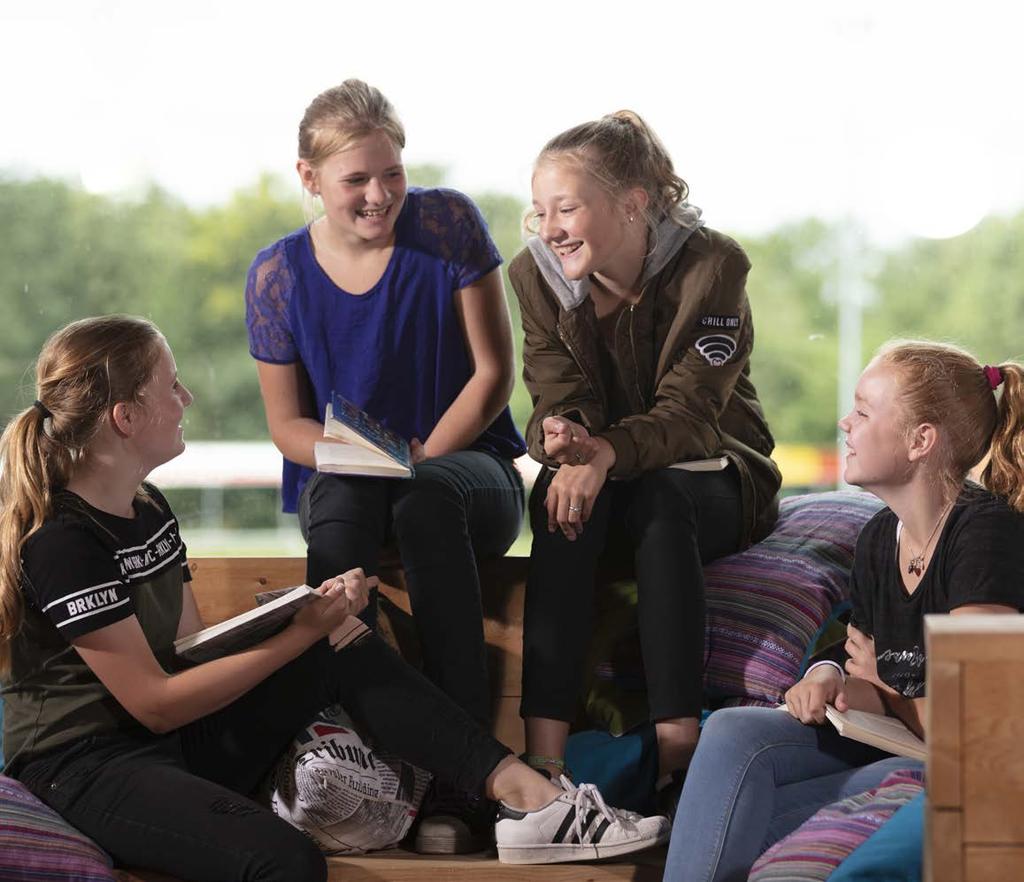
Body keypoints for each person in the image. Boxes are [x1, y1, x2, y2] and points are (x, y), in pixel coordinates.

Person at [0, 315, 671, 881]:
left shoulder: (147, 508)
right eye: (169, 385)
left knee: (335, 636)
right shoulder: (62, 541)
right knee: (284, 861)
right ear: (125, 417)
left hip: (172, 740)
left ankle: (527, 800)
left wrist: (295, 616)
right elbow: (152, 702)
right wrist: (293, 636)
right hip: (87, 764)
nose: (187, 397)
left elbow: (187, 655)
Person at [245, 79, 527, 850]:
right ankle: (366, 765)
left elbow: (494, 374)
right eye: (356, 180)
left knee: (427, 498)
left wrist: (421, 457)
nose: (380, 195)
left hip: (469, 472)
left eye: (392, 173)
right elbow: (286, 425)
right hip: (349, 482)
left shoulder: (448, 222)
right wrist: (360, 460)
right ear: (308, 178)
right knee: (336, 518)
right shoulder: (277, 274)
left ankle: (466, 782)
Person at [663, 340, 1024, 882]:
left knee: (740, 820)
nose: (844, 422)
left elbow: (979, 732)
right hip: (906, 746)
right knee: (733, 733)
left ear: (921, 440)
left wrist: (887, 685)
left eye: (862, 410)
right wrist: (830, 679)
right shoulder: (880, 536)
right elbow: (874, 680)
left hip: (972, 771)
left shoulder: (986, 535)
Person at [508, 111, 782, 788]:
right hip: (610, 481)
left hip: (716, 476)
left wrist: (603, 452)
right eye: (539, 211)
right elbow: (553, 387)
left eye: (566, 208)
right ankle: (543, 761)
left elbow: (690, 416)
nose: (549, 229)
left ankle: (677, 759)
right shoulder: (533, 275)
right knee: (556, 497)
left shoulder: (713, 265)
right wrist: (565, 438)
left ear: (633, 204)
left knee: (660, 498)